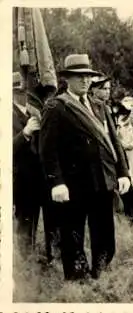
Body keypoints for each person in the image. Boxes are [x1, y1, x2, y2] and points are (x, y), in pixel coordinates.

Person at [39, 54, 131, 281]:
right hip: (74, 183)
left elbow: (115, 143)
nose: (85, 81)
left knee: (105, 232)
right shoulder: (56, 107)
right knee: (73, 234)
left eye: (88, 76)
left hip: (103, 180)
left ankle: (102, 273)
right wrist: (56, 181)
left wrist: (124, 172)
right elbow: (47, 150)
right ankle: (77, 279)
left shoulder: (101, 107)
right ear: (67, 79)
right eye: (79, 77)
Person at [12, 71, 56, 262]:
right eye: (16, 88)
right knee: (26, 222)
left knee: (53, 221)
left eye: (23, 88)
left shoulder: (39, 110)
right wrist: (26, 133)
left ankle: (53, 258)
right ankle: (26, 264)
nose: (21, 92)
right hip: (23, 178)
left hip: (45, 177)